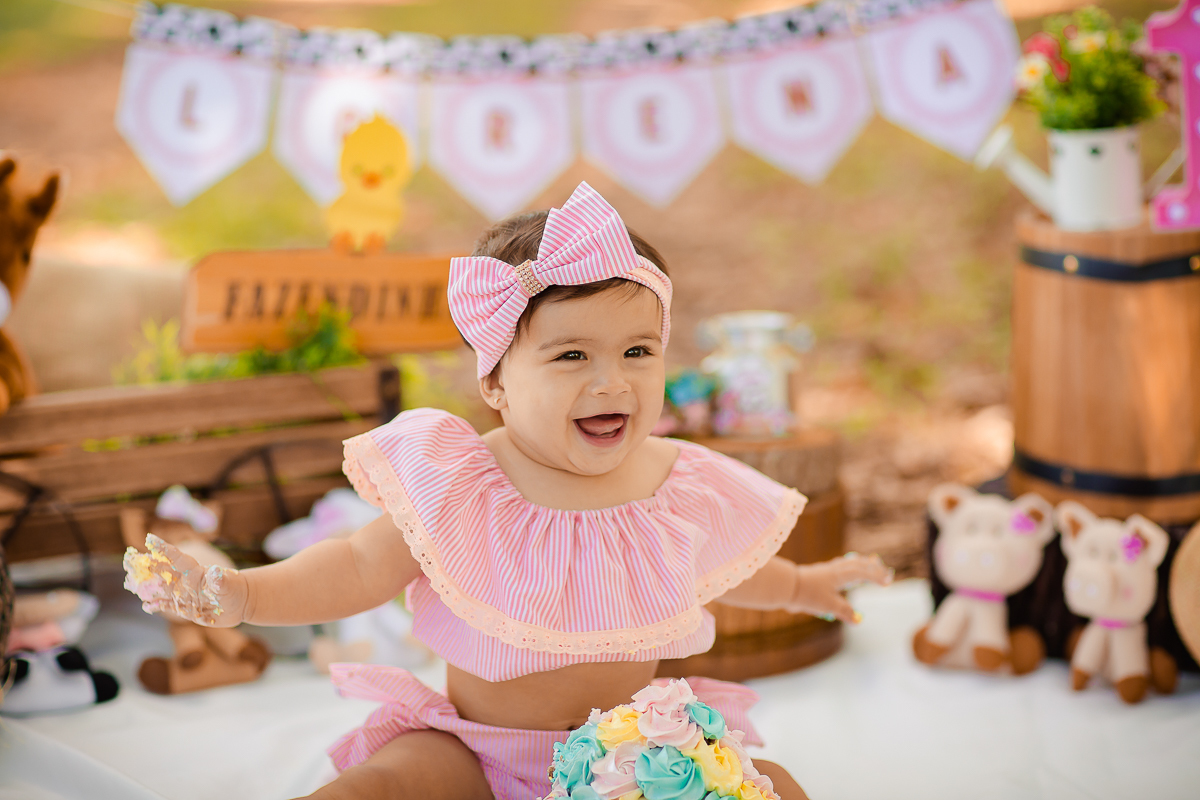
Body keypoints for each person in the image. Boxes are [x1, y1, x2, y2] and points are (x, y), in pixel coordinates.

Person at [125, 182, 891, 800]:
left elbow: (725, 566)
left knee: (776, 787)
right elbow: (358, 565)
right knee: (380, 788)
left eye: (636, 351)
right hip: (477, 755)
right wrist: (242, 596)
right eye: (570, 355)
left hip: (635, 756)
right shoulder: (466, 482)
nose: (611, 381)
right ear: (495, 381)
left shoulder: (673, 480)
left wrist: (807, 586)